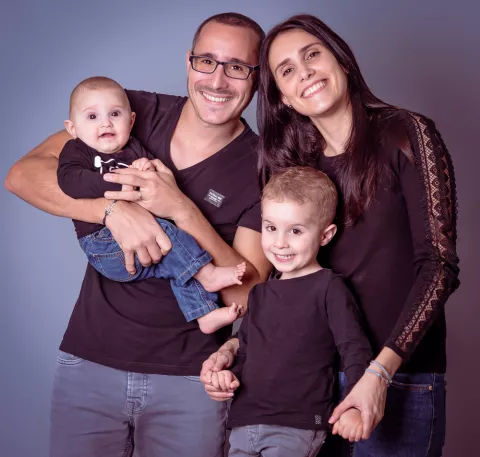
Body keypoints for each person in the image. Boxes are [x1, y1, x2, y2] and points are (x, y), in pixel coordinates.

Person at [5, 12, 271, 457]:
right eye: (207, 61)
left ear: (258, 77)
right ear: (189, 62)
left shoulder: (264, 166)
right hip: (90, 364)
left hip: (192, 380)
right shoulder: (131, 111)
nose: (217, 80)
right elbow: (23, 175)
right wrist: (111, 211)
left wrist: (181, 209)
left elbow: (247, 293)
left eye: (238, 67)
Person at [201, 14, 459, 457]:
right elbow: (288, 279)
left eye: (312, 55)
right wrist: (237, 346)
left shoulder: (405, 133)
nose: (304, 73)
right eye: (287, 70)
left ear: (340, 60)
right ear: (283, 97)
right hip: (309, 386)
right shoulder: (295, 166)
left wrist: (379, 373)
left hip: (401, 378)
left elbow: (439, 266)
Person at [58, 75, 247, 334]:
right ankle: (208, 274)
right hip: (104, 245)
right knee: (170, 237)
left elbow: (156, 185)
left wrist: (147, 168)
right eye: (92, 117)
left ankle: (204, 313)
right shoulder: (78, 150)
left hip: (148, 240)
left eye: (115, 114)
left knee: (178, 255)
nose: (105, 123)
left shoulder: (134, 148)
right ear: (72, 128)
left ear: (131, 120)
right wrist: (120, 184)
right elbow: (69, 181)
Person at [210, 167, 373, 457]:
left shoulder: (328, 287)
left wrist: (354, 404)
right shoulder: (259, 294)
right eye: (271, 228)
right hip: (245, 421)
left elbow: (354, 349)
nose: (280, 242)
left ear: (325, 235)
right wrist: (228, 376)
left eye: (295, 231)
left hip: (296, 425)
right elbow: (247, 353)